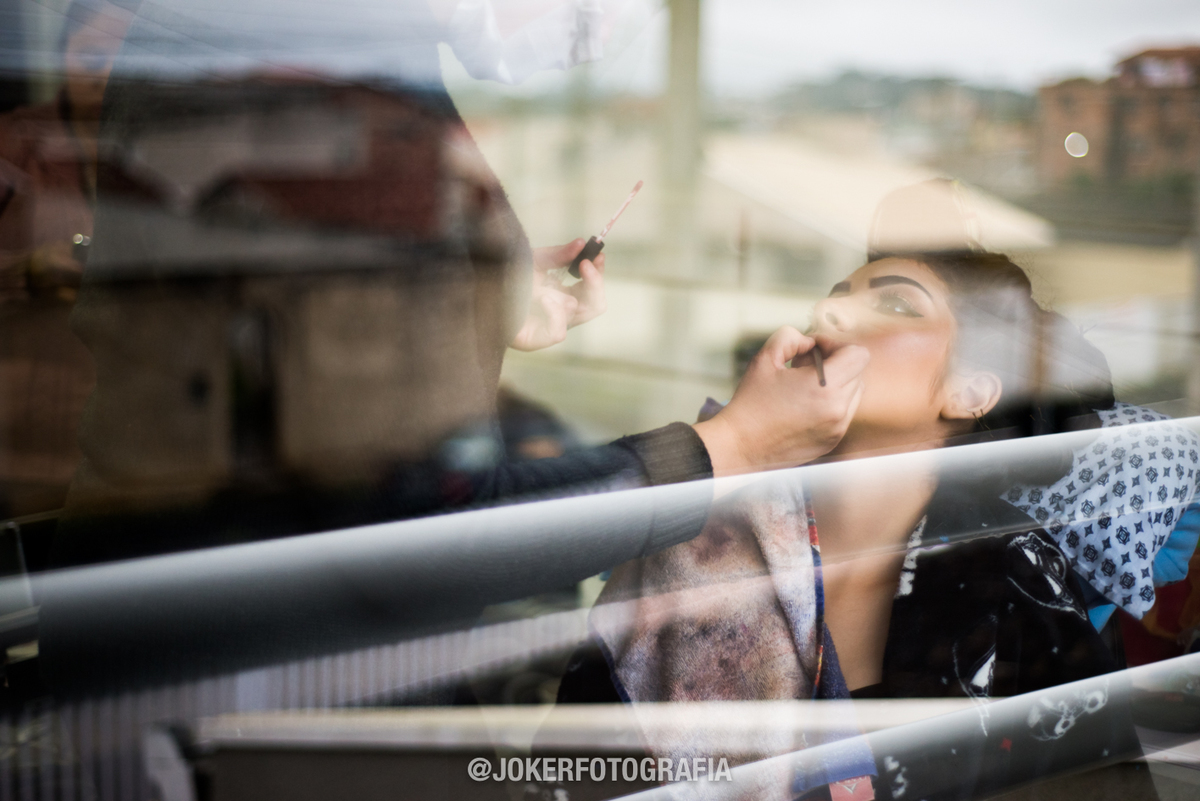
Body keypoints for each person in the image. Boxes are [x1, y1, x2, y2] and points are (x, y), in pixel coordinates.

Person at [555, 245, 1177, 799]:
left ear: (968, 392)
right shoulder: (691, 539)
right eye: (833, 298)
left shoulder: (1019, 593)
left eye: (899, 308)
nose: (830, 317)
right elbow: (574, 766)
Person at [0, 0, 134, 519]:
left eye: (119, 61)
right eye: (94, 56)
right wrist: (27, 271)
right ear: (64, 58)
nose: (104, 76)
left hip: (125, 438)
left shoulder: (145, 158)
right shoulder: (14, 147)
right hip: (29, 433)